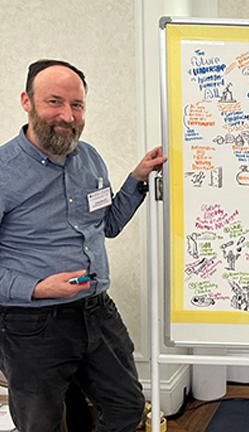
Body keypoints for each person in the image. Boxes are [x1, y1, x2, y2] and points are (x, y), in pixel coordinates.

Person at [0, 59, 167, 432]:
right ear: (26, 101)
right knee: (41, 425)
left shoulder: (89, 158)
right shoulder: (3, 171)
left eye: (76, 105)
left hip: (96, 311)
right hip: (31, 323)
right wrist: (37, 288)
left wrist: (137, 179)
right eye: (54, 102)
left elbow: (107, 225)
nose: (67, 115)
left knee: (127, 407)